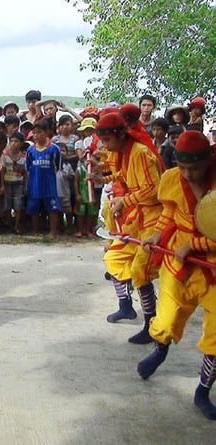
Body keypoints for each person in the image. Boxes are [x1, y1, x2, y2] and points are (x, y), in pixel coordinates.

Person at [136, 130, 216, 420]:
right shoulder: (172, 178)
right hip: (178, 263)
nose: (187, 174)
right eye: (182, 168)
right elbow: (169, 213)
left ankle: (203, 390)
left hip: (212, 266)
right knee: (167, 319)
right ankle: (160, 349)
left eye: (193, 169)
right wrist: (159, 233)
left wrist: (193, 245)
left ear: (208, 161)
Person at [95, 112, 162, 344]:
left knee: (140, 271)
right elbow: (120, 176)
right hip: (134, 217)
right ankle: (126, 306)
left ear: (120, 134)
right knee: (113, 257)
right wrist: (100, 177)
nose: (104, 145)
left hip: (152, 220)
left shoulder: (140, 153)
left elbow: (154, 188)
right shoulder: (121, 151)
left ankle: (151, 324)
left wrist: (125, 201)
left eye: (106, 140)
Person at [25, 119, 62, 238]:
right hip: (34, 184)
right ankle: (35, 231)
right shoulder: (30, 150)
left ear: (46, 132)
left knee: (52, 208)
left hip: (49, 185)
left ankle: (53, 231)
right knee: (34, 208)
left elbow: (58, 167)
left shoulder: (54, 149)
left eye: (39, 132)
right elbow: (28, 167)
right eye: (34, 133)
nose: (36, 135)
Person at [0, 132, 27, 234]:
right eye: (11, 141)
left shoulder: (24, 157)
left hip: (18, 183)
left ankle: (17, 225)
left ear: (21, 143)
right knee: (7, 205)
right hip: (7, 182)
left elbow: (25, 173)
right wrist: (2, 185)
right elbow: (2, 171)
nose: (13, 143)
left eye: (16, 141)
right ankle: (9, 225)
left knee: (18, 205)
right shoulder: (5, 155)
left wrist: (25, 185)